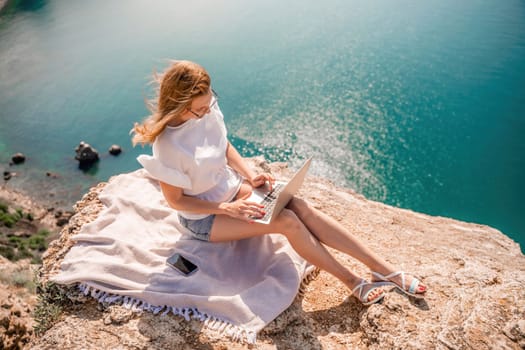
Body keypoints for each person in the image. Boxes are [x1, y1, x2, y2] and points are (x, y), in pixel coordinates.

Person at [132, 60, 427, 305]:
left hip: (234, 189)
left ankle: (382, 270)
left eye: (210, 103)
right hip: (205, 217)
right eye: (200, 109)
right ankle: (353, 281)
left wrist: (250, 174)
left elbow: (222, 146)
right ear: (180, 105)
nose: (208, 112)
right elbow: (176, 201)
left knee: (299, 204)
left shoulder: (206, 111)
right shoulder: (167, 146)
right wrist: (226, 209)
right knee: (287, 221)